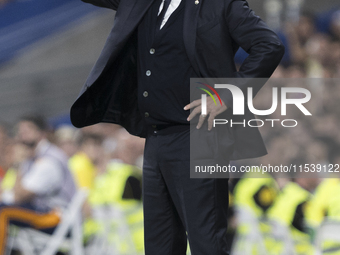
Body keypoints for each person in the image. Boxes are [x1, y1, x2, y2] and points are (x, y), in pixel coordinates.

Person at [70, 0, 285, 254]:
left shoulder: (222, 4)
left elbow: (269, 45)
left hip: (201, 135)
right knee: (160, 246)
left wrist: (225, 96)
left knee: (206, 245)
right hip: (156, 138)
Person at [0, 115, 76, 255]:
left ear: (41, 133)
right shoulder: (32, 158)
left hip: (57, 217)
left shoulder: (49, 161)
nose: (22, 136)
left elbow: (20, 196)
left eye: (27, 131)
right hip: (44, 212)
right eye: (20, 131)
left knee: (3, 212)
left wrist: (18, 164)